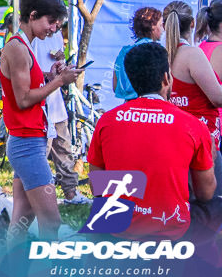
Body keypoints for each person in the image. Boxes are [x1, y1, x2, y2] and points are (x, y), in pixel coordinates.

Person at [88, 42, 217, 239]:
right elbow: (205, 194)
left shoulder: (107, 121)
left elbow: (96, 187)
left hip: (117, 229)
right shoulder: (193, 126)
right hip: (170, 232)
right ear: (166, 78)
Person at [0, 0, 79, 240]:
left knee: (21, 223)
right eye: (51, 22)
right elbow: (23, 99)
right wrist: (59, 82)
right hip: (26, 143)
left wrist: (49, 76)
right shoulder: (18, 47)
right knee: (51, 222)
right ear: (33, 15)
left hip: (29, 140)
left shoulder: (26, 46)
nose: (54, 29)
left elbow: (23, 87)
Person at [30, 22, 86, 205]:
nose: (55, 28)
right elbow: (29, 71)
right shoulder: (31, 39)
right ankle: (38, 196)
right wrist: (53, 76)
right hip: (40, 106)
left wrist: (64, 67)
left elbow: (57, 66)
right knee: (41, 153)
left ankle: (70, 192)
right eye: (53, 23)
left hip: (56, 104)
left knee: (64, 149)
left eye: (59, 24)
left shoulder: (55, 37)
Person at [163, 1, 222, 147]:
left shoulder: (163, 54)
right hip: (200, 137)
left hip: (175, 134)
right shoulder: (191, 54)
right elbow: (218, 99)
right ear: (192, 23)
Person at [113, 6, 163, 101]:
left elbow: (115, 86)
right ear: (152, 26)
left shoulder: (124, 51)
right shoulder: (155, 51)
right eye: (161, 25)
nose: (163, 29)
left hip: (128, 106)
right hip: (149, 105)